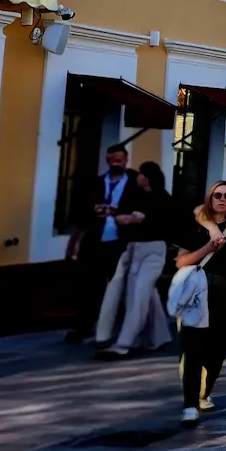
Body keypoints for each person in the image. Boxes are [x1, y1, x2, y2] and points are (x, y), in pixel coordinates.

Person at [176, 180, 226, 424]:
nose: (222, 199)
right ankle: (190, 404)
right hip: (196, 292)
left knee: (217, 349)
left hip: (224, 294)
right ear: (210, 198)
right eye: (217, 195)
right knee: (193, 349)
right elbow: (181, 261)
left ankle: (204, 392)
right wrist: (207, 248)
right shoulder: (195, 226)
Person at [95, 161, 173, 358]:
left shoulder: (163, 198)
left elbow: (162, 223)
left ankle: (123, 344)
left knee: (138, 295)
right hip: (131, 250)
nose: (137, 177)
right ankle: (159, 336)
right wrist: (113, 212)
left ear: (147, 177)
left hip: (153, 251)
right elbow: (123, 215)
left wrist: (134, 219)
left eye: (140, 174)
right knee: (145, 293)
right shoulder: (135, 196)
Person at [67, 145, 140, 344]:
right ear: (107, 160)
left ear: (126, 160)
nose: (116, 163)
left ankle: (118, 329)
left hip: (122, 242)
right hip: (95, 241)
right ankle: (85, 326)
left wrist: (121, 213)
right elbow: (78, 212)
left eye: (119, 159)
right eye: (112, 159)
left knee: (122, 286)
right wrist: (93, 210)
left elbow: (142, 211)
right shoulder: (95, 184)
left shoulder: (135, 185)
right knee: (89, 285)